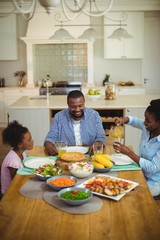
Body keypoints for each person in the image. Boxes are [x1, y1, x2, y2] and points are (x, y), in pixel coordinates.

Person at [113, 99, 160, 197]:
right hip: (141, 173)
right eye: (145, 119)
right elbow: (134, 120)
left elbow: (153, 168)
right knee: (117, 183)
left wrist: (129, 153)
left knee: (128, 194)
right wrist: (122, 120)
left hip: (155, 182)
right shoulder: (147, 128)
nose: (144, 123)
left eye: (148, 121)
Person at [44, 90, 106, 155]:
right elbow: (51, 136)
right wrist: (48, 144)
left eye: (80, 106)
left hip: (89, 155)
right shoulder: (59, 117)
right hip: (66, 155)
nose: (77, 110)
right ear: (68, 104)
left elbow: (101, 136)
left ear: (84, 102)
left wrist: (97, 144)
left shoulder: (94, 115)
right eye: (73, 107)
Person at [0, 121, 34, 197]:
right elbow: (17, 184)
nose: (32, 142)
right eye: (29, 140)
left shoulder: (22, 153)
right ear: (19, 144)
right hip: (9, 195)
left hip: (17, 188)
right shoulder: (13, 162)